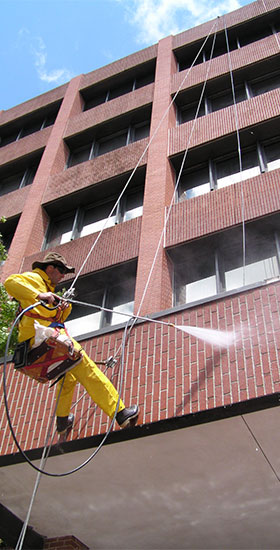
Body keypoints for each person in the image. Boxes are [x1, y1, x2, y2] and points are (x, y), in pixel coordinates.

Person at [4, 252, 139, 434]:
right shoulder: (35, 278)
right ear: (49, 268)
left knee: (69, 377)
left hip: (41, 339)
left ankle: (62, 421)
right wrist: (39, 294)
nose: (62, 276)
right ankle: (121, 413)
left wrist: (63, 307)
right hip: (41, 337)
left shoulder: (46, 288)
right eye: (60, 270)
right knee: (87, 369)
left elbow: (53, 316)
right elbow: (10, 283)